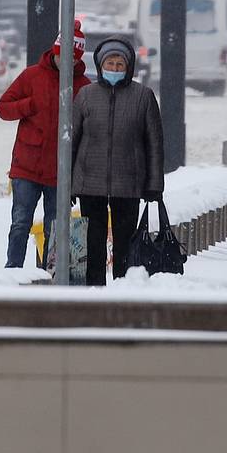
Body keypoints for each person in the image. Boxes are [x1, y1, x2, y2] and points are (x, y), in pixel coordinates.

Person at [70, 36, 165, 285]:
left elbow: (154, 143)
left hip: (129, 183)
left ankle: (124, 285)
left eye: (119, 64)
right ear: (101, 65)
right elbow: (71, 140)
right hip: (90, 182)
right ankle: (95, 289)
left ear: (129, 67)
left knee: (125, 240)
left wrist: (154, 184)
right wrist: (68, 182)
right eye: (110, 63)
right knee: (94, 241)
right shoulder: (85, 95)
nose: (114, 69)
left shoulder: (143, 96)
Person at [0, 20, 89, 269]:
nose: (67, 62)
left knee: (56, 228)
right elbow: (3, 109)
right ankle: (12, 271)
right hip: (26, 169)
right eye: (63, 56)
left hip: (60, 174)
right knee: (20, 224)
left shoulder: (84, 87)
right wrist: (28, 106)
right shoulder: (31, 76)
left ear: (79, 60)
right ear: (54, 51)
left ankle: (51, 276)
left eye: (73, 59)